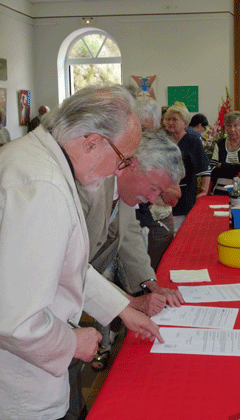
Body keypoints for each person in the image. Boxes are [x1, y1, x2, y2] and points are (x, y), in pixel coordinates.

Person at [0, 84, 164, 420]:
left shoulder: (39, 159)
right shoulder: (43, 186)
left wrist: (123, 308)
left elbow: (65, 263)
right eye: (123, 160)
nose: (120, 172)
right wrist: (72, 343)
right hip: (20, 383)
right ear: (91, 142)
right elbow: (16, 320)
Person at [77, 130, 185, 370]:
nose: (152, 198)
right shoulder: (90, 184)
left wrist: (150, 283)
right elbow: (70, 265)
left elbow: (130, 234)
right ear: (133, 165)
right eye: (154, 188)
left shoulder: (125, 188)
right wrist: (129, 305)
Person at [135, 98, 182, 269]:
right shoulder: (127, 147)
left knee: (153, 274)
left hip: (156, 223)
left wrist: (155, 183)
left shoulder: (163, 150)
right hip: (129, 226)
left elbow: (174, 197)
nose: (139, 134)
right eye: (137, 127)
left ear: (156, 128)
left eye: (145, 129)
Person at [164, 102, 211, 232]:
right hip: (164, 194)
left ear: (185, 123)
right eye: (168, 119)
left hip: (186, 194)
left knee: (181, 231)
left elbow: (205, 168)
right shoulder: (163, 140)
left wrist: (204, 191)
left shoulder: (193, 141)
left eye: (174, 119)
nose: (170, 122)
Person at [209, 111, 240, 195]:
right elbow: (213, 170)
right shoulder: (220, 144)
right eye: (229, 126)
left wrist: (221, 165)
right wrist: (238, 165)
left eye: (236, 126)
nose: (232, 129)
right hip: (219, 191)